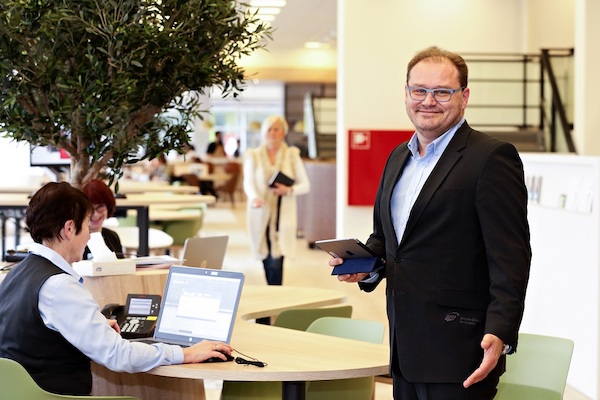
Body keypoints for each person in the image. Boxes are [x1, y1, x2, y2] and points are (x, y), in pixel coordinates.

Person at [329, 47, 531, 400]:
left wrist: (501, 331)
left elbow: (511, 257)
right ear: (406, 93)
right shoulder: (397, 157)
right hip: (404, 347)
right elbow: (388, 241)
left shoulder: (491, 158)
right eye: (419, 90)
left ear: (464, 97)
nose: (428, 101)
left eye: (442, 92)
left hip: (462, 349)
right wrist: (365, 266)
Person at [0, 182, 232, 396]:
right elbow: (118, 355)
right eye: (86, 226)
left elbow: (36, 332)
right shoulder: (59, 285)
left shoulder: (19, 272)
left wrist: (94, 326)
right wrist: (186, 353)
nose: (89, 235)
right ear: (69, 229)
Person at [243, 115, 310, 286]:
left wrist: (288, 190)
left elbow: (305, 185)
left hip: (283, 216)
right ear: (263, 133)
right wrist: (254, 197)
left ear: (283, 133)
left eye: (276, 129)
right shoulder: (254, 155)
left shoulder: (292, 155)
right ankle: (273, 294)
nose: (272, 133)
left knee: (277, 259)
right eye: (269, 129)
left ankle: (275, 296)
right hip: (260, 212)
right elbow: (248, 182)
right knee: (266, 257)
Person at [81, 178, 124, 259]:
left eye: (100, 207)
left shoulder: (112, 237)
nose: (96, 214)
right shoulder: (75, 242)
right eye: (90, 210)